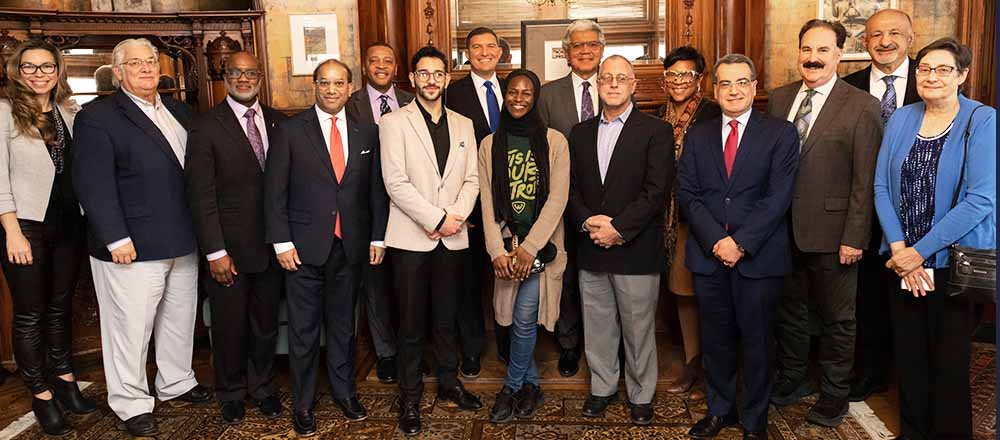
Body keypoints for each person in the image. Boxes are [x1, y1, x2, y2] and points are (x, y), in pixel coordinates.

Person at [73, 38, 210, 438]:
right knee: (130, 327)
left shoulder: (179, 110)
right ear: (118, 72)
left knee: (179, 319)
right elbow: (92, 184)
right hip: (130, 244)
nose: (147, 68)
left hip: (182, 236)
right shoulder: (98, 116)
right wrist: (115, 238)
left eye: (151, 61)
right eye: (136, 63)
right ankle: (130, 402)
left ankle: (176, 382)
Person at [874, 37, 996, 440]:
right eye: (925, 68)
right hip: (900, 261)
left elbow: (980, 200)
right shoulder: (901, 118)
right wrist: (899, 250)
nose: (932, 76)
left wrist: (921, 253)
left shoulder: (983, 121)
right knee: (908, 359)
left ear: (962, 75)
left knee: (948, 363)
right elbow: (881, 188)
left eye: (944, 69)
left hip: (950, 263)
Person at [765, 20, 882, 427]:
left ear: (838, 54)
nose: (812, 58)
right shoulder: (779, 100)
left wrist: (855, 236)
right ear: (797, 52)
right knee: (791, 311)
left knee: (838, 318)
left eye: (822, 50)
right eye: (806, 49)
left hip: (835, 235)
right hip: (782, 231)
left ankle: (834, 394)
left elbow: (865, 179)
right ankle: (795, 378)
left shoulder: (861, 104)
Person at [678, 53, 799, 440]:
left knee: (759, 343)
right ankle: (719, 410)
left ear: (753, 86)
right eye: (725, 83)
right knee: (715, 340)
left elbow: (778, 198)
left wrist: (740, 243)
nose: (733, 90)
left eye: (741, 82)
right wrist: (717, 241)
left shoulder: (780, 133)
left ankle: (754, 420)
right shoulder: (698, 135)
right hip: (709, 256)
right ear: (715, 89)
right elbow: (688, 194)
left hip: (758, 257)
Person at [264, 58, 388, 436]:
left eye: (338, 83)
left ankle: (345, 392)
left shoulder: (367, 132)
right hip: (301, 250)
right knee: (303, 331)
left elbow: (375, 193)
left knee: (342, 328)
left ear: (350, 86)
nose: (331, 90)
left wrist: (377, 237)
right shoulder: (289, 130)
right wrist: (281, 242)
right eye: (324, 83)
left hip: (349, 247)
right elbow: (274, 192)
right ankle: (302, 403)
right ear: (314, 86)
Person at [379, 45, 482, 436]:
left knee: (446, 318)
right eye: (423, 73)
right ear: (412, 79)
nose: (431, 80)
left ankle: (449, 382)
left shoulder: (463, 124)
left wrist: (454, 218)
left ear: (447, 78)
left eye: (438, 73)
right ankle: (409, 397)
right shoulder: (394, 123)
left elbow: (471, 179)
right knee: (410, 323)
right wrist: (437, 218)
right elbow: (395, 182)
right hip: (411, 239)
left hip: (452, 238)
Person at [567, 55, 672, 426]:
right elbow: (572, 188)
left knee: (638, 327)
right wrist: (588, 222)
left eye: (620, 78)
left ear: (633, 85)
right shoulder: (579, 132)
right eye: (606, 77)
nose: (612, 83)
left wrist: (619, 228)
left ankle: (642, 394)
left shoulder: (656, 130)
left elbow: (656, 191)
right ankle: (602, 388)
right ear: (597, 84)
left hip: (636, 248)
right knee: (597, 325)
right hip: (591, 245)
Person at [0, 40, 97, 436]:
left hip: (68, 224)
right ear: (17, 71)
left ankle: (64, 377)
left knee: (59, 308)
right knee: (29, 313)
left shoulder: (68, 113)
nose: (39, 74)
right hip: (26, 226)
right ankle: (39, 392)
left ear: (58, 72)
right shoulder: (4, 112)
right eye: (30, 67)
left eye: (47, 67)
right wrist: (11, 231)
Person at [185, 51, 287, 425]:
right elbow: (201, 196)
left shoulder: (278, 122)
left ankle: (262, 388)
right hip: (228, 250)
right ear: (224, 77)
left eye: (250, 73)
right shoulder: (206, 126)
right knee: (229, 327)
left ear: (260, 76)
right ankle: (230, 392)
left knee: (265, 324)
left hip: (271, 247)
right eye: (236, 73)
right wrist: (215, 251)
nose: (243, 79)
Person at [478, 69, 569, 423]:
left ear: (536, 98)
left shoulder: (555, 141)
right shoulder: (490, 143)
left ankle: (510, 387)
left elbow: (558, 199)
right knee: (514, 320)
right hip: (506, 246)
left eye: (526, 92)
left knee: (524, 318)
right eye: (512, 91)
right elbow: (486, 202)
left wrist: (530, 247)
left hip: (541, 248)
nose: (518, 98)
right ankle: (531, 385)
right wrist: (497, 252)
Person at [841, 8, 921, 402]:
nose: (884, 41)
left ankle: (911, 376)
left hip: (917, 213)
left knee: (912, 299)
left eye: (894, 33)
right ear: (864, 42)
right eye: (875, 35)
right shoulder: (848, 86)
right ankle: (868, 371)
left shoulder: (931, 79)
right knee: (866, 297)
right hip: (863, 212)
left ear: (911, 37)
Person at [534, 18, 605, 378]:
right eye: (578, 46)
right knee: (566, 276)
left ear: (602, 49)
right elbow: (541, 153)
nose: (586, 50)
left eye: (592, 44)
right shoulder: (548, 94)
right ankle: (569, 345)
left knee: (602, 278)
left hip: (607, 205)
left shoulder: (613, 86)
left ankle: (604, 347)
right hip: (562, 204)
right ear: (567, 53)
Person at [344, 42, 414, 385]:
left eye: (388, 60)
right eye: (375, 61)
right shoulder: (349, 103)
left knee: (409, 281)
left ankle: (412, 350)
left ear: (396, 66)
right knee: (375, 284)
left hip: (409, 205)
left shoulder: (411, 101)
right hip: (365, 205)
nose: (381, 66)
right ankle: (386, 353)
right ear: (365, 66)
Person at [658, 45, 721, 399]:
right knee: (682, 293)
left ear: (700, 79)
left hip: (706, 218)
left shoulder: (712, 113)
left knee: (710, 297)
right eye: (672, 75)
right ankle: (692, 362)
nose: (678, 81)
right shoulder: (659, 115)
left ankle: (711, 370)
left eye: (686, 75)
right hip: (671, 221)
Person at [445, 26, 505, 374]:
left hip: (508, 204)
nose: (484, 52)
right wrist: (460, 206)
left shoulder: (514, 89)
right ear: (468, 53)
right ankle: (471, 348)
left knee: (507, 276)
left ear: (500, 52)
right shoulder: (453, 94)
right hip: (468, 205)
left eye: (490, 46)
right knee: (468, 281)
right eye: (477, 47)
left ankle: (509, 345)